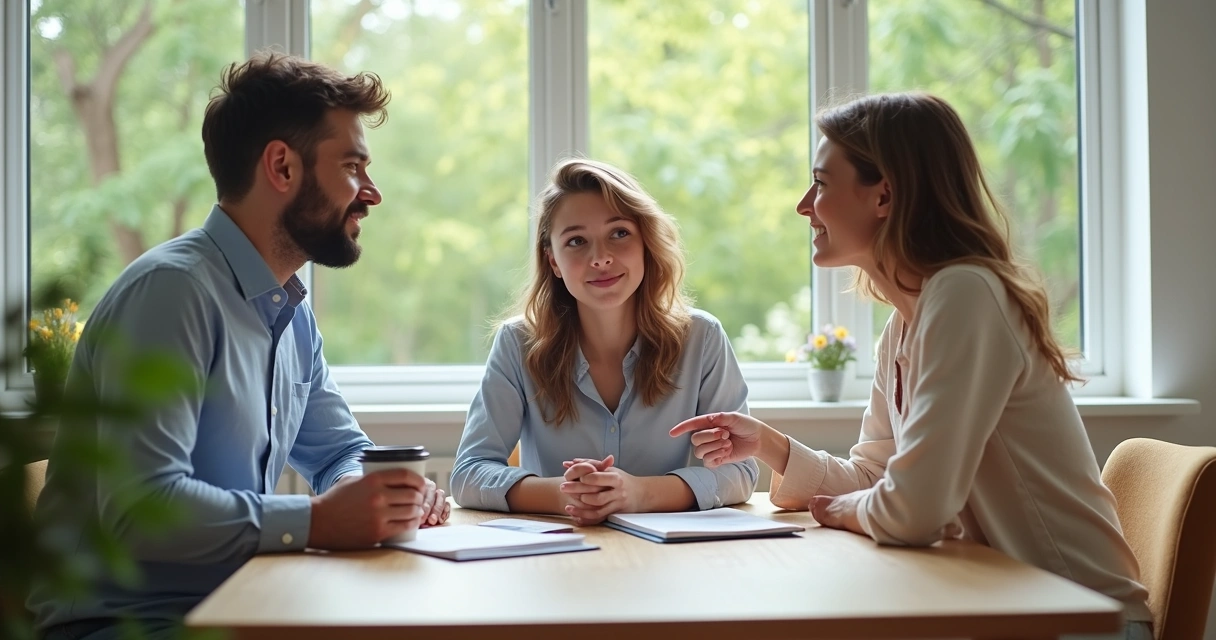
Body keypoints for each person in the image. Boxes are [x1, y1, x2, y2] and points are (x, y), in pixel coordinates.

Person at [670, 93, 1152, 639]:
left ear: (885, 195)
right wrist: (768, 445)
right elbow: (877, 478)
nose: (805, 204)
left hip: (1077, 622)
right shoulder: (905, 323)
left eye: (822, 183)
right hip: (1002, 609)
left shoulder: (965, 294)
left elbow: (914, 508)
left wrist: (850, 509)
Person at [28, 53, 450, 640]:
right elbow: (139, 511)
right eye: (352, 166)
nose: (371, 193)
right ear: (281, 166)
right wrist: (318, 520)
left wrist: (376, 495)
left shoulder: (290, 311)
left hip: (237, 605)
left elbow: (336, 454)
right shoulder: (172, 293)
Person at [450, 158, 757, 525]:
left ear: (646, 242)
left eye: (619, 233)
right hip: (555, 560)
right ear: (554, 262)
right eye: (576, 241)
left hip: (668, 563)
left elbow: (741, 473)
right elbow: (468, 473)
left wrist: (639, 494)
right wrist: (567, 494)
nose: (601, 258)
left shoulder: (702, 339)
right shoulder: (517, 344)